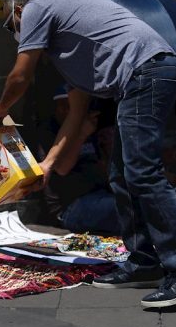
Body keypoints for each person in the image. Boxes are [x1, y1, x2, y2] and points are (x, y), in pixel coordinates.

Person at [0, 0, 176, 308]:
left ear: (19, 12)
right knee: (122, 175)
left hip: (146, 73)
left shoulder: (36, 7)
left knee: (142, 174)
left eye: (11, 27)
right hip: (145, 76)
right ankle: (143, 262)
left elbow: (20, 76)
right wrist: (47, 164)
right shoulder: (71, 53)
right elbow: (75, 117)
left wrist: (1, 108)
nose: (16, 34)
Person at [35, 84, 120, 235]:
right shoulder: (50, 132)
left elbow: (102, 168)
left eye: (70, 106)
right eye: (62, 106)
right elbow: (62, 168)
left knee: (134, 203)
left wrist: (108, 148)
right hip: (70, 207)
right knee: (121, 209)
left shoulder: (89, 127)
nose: (66, 111)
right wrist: (81, 135)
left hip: (99, 194)